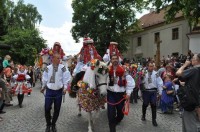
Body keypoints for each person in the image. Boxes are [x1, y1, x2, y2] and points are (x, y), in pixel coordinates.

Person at [40, 53, 71, 132]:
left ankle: (53, 124)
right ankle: (48, 124)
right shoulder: (47, 68)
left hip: (58, 91)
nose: (59, 60)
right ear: (53, 59)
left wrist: (65, 88)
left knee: (57, 109)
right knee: (47, 108)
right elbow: (44, 78)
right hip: (49, 91)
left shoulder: (63, 67)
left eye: (59, 58)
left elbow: (66, 77)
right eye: (57, 58)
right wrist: (43, 87)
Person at [107, 54, 135, 132]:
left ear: (118, 60)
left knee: (120, 113)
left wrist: (128, 93)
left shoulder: (124, 69)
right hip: (111, 94)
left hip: (120, 95)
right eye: (113, 59)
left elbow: (130, 82)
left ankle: (118, 120)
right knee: (110, 114)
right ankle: (112, 129)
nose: (115, 60)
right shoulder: (107, 70)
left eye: (116, 58)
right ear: (111, 60)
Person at [176, 53, 200, 132]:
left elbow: (178, 73)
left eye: (193, 58)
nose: (191, 60)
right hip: (197, 101)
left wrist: (184, 65)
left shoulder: (194, 69)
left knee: (190, 126)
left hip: (191, 102)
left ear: (197, 61)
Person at [141, 62, 163, 126]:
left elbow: (160, 82)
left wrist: (160, 92)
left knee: (153, 105)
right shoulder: (144, 73)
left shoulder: (156, 74)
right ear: (147, 66)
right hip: (146, 91)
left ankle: (154, 119)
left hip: (153, 91)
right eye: (150, 66)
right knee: (145, 104)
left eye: (152, 66)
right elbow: (141, 82)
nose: (151, 67)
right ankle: (143, 115)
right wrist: (141, 77)